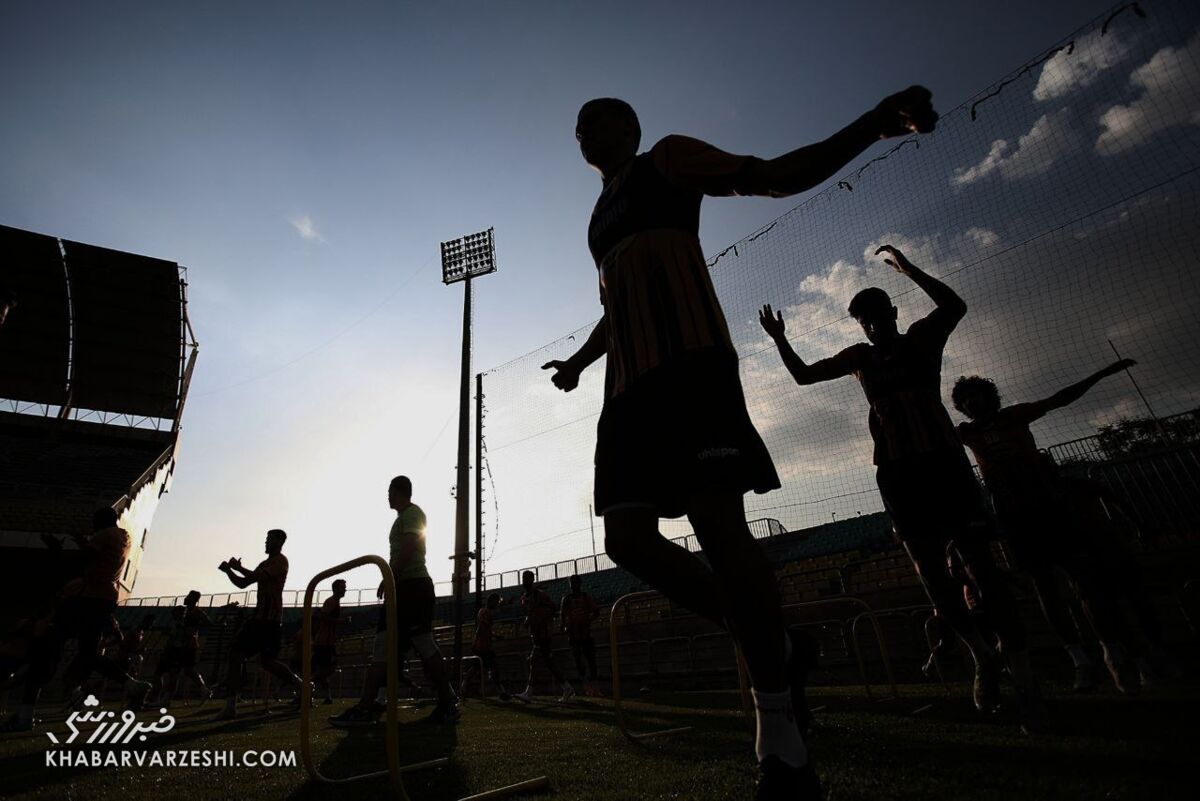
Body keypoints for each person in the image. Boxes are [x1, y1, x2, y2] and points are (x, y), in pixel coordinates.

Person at [543, 88, 938, 797]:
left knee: (720, 529)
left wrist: (871, 124)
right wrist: (578, 361)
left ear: (628, 126)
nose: (583, 131)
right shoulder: (597, 219)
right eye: (577, 126)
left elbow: (770, 172)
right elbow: (614, 305)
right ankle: (774, 641)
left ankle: (780, 735)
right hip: (628, 391)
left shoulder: (667, 159)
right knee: (627, 539)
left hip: (693, 367)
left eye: (595, 118)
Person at [760, 244, 1045, 733]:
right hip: (898, 474)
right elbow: (805, 376)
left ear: (891, 313)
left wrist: (908, 269)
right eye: (862, 319)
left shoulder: (921, 340)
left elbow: (955, 305)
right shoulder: (859, 358)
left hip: (944, 466)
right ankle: (983, 657)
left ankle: (1023, 681)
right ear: (859, 325)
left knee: (985, 571)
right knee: (934, 579)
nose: (871, 323)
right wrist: (780, 340)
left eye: (876, 314)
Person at [953, 361, 1147, 692]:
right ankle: (1079, 661)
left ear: (990, 397)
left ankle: (1111, 652)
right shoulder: (966, 433)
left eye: (977, 396)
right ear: (963, 407)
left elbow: (1061, 398)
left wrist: (1099, 373)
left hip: (1046, 504)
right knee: (1044, 587)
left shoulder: (1015, 415)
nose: (973, 403)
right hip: (1011, 514)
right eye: (966, 400)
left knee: (1083, 580)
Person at [330, 476, 459, 725]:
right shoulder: (401, 519)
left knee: (421, 642)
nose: (387, 496)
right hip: (401, 587)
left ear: (400, 492)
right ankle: (370, 704)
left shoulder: (412, 513)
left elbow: (410, 546)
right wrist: (390, 581)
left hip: (412, 587)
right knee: (384, 645)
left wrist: (390, 575)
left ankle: (448, 702)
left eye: (390, 491)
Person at [45, 508, 154, 713]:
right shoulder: (124, 536)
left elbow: (84, 560)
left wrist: (57, 552)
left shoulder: (103, 535)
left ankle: (49, 689)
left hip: (90, 596)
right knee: (88, 652)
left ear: (101, 521)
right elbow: (103, 557)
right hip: (105, 597)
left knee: (53, 637)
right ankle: (126, 685)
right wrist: (83, 544)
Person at [214, 529, 305, 719]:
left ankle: (231, 705)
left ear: (280, 541)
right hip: (260, 620)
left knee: (248, 656)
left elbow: (255, 577)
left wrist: (237, 568)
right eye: (266, 539)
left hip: (269, 620)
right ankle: (301, 686)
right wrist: (229, 571)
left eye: (270, 539)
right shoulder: (265, 563)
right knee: (260, 660)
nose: (266, 542)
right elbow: (242, 584)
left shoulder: (280, 561)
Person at [512, 571, 573, 703]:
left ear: (532, 579)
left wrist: (539, 619)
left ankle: (529, 692)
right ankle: (566, 687)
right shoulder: (525, 597)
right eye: (523, 578)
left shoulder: (539, 594)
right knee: (548, 663)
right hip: (536, 634)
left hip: (543, 634)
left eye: (527, 578)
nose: (524, 580)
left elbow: (551, 608)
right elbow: (531, 613)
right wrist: (528, 620)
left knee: (535, 661)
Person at [291, 579, 348, 706]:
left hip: (326, 641)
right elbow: (321, 616)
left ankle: (322, 695)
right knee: (327, 669)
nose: (345, 589)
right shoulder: (331, 602)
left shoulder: (335, 602)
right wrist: (340, 621)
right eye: (343, 587)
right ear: (335, 588)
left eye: (345, 587)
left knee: (322, 671)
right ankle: (305, 688)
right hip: (324, 642)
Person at [156, 592, 213, 706]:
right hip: (182, 645)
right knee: (182, 670)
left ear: (193, 599)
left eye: (188, 596)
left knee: (179, 670)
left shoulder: (196, 612)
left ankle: (167, 699)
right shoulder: (186, 611)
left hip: (188, 645)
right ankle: (203, 689)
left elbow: (208, 623)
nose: (186, 598)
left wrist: (193, 630)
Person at [461, 592, 510, 702]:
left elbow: (483, 629)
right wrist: (477, 641)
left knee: (476, 668)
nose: (498, 604)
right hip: (483, 646)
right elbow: (481, 628)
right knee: (493, 667)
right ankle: (501, 691)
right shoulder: (485, 612)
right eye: (497, 602)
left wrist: (494, 636)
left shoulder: (483, 612)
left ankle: (464, 689)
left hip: (482, 645)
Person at [560, 575, 601, 695]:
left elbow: (596, 611)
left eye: (575, 582)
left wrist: (588, 620)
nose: (573, 585)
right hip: (573, 635)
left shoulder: (585, 596)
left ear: (580, 583)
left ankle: (595, 687)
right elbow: (562, 615)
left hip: (586, 634)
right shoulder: (567, 599)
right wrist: (565, 626)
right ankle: (586, 686)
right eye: (571, 583)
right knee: (578, 661)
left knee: (591, 660)